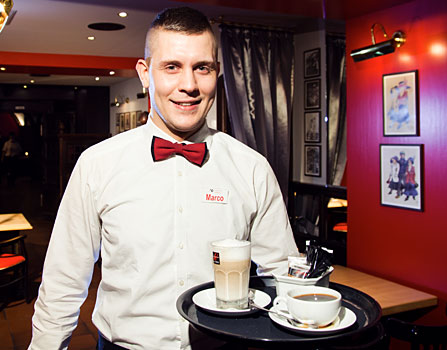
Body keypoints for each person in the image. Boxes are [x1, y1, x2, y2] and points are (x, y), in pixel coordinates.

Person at [29, 7, 299, 350]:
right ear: (145, 73)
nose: (188, 85)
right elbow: (63, 279)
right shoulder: (97, 164)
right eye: (172, 67)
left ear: (217, 73)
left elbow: (282, 278)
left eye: (202, 68)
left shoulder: (252, 168)